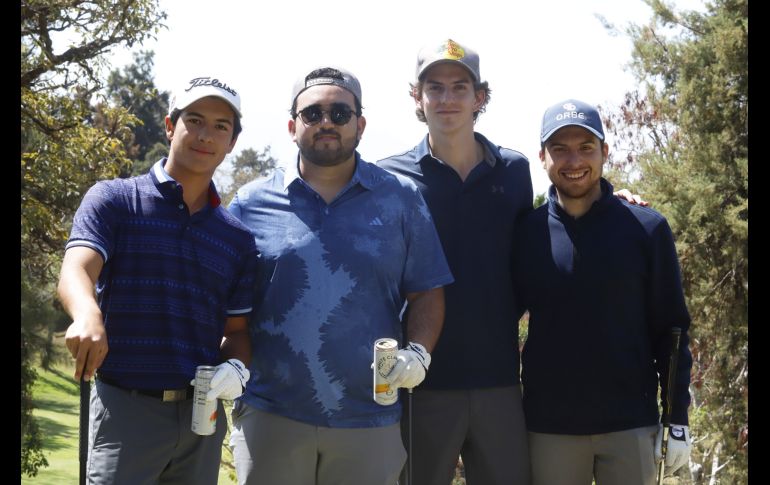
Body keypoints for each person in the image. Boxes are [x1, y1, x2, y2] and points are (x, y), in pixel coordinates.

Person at [227, 65, 454, 485]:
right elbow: (225, 303)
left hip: (369, 419)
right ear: (293, 126)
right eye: (313, 114)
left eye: (340, 113)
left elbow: (427, 290)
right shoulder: (249, 203)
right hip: (271, 414)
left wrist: (419, 352)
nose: (326, 123)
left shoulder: (402, 199)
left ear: (360, 124)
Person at [58, 75, 258, 484]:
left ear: (232, 142)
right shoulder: (115, 199)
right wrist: (86, 314)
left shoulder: (236, 238)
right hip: (126, 410)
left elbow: (235, 331)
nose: (206, 135)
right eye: (195, 120)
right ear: (170, 126)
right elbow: (77, 268)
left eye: (221, 126)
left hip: (203, 419)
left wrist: (236, 367)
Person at [513, 99, 694, 485]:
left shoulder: (647, 229)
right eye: (560, 149)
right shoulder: (525, 234)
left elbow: (673, 331)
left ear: (605, 152)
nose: (573, 160)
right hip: (549, 428)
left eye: (585, 147)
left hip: (631, 425)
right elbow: (498, 320)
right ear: (542, 157)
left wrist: (677, 419)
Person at [377, 38, 533, 485]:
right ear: (417, 97)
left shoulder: (515, 171)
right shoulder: (389, 178)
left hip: (500, 379)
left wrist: (617, 199)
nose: (447, 99)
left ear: (479, 97)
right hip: (418, 384)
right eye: (435, 88)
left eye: (459, 87)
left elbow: (549, 234)